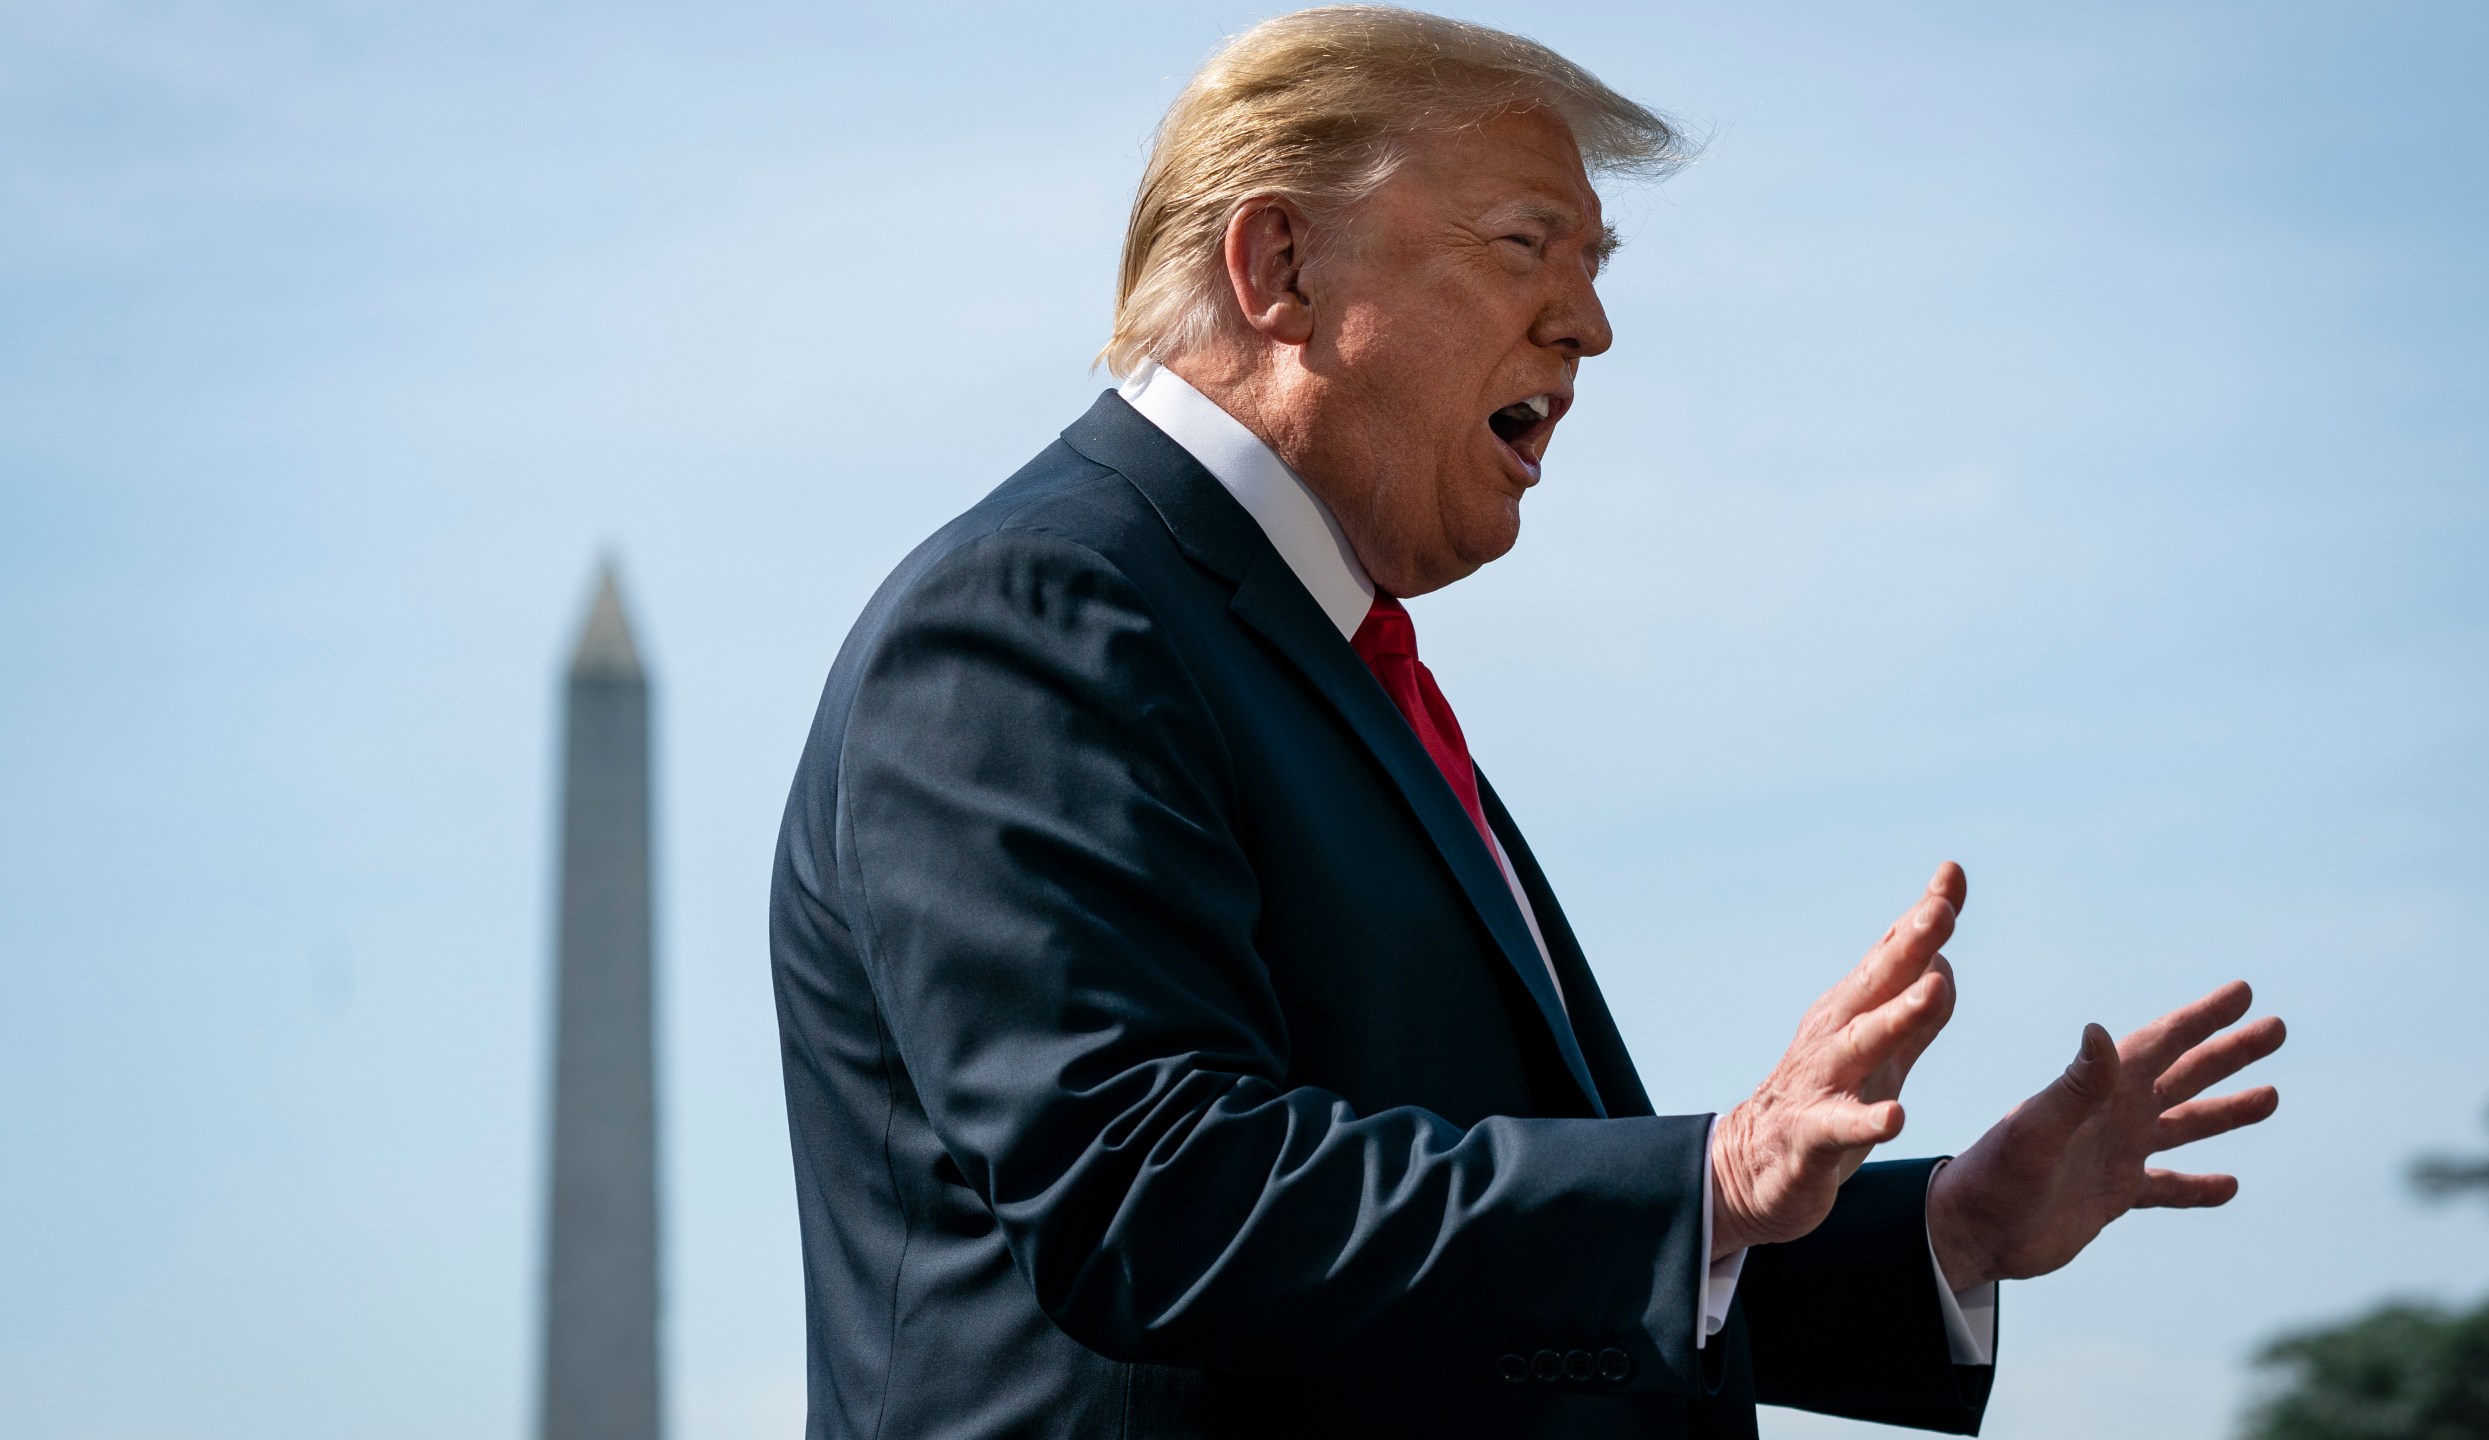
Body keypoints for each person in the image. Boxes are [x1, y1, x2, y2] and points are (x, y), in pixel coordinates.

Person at [768, 8, 2286, 1438]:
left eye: (1596, 257)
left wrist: (1937, 1231)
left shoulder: (1306, 648)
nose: (1593, 325)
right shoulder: (1039, 611)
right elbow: (1153, 1195)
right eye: (1526, 247)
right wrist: (1717, 1172)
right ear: (1279, 265)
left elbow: (1452, 1249)